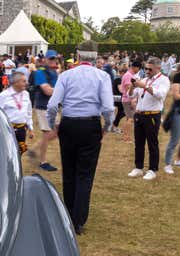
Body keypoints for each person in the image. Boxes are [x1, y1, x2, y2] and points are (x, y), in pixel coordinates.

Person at [46, 40, 114, 235]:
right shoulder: (102, 76)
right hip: (90, 124)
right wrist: (107, 127)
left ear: (77, 56)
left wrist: (54, 125)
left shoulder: (66, 75)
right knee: (85, 173)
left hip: (69, 123)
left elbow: (52, 105)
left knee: (69, 171)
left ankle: (68, 214)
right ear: (96, 58)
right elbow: (109, 108)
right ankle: (78, 220)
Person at [127, 57, 170, 181]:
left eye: (149, 69)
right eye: (145, 68)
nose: (147, 71)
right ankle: (138, 167)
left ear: (158, 68)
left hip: (152, 115)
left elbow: (160, 95)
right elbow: (131, 95)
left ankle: (152, 169)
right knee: (138, 143)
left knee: (152, 143)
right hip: (139, 115)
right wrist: (132, 86)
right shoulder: (144, 79)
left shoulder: (164, 80)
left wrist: (144, 86)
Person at [32, 50, 60, 171]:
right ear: (45, 60)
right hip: (43, 106)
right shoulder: (40, 72)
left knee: (57, 131)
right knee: (47, 133)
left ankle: (34, 149)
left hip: (53, 106)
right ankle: (43, 161)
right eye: (51, 59)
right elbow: (47, 91)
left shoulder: (54, 73)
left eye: (54, 59)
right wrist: (61, 91)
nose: (53, 61)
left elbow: (53, 89)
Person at [0, 70, 34, 154]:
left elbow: (28, 112)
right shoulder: (4, 95)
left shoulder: (26, 94)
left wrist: (30, 128)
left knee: (20, 151)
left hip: (21, 129)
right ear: (16, 82)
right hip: (8, 129)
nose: (27, 83)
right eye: (24, 81)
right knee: (7, 152)